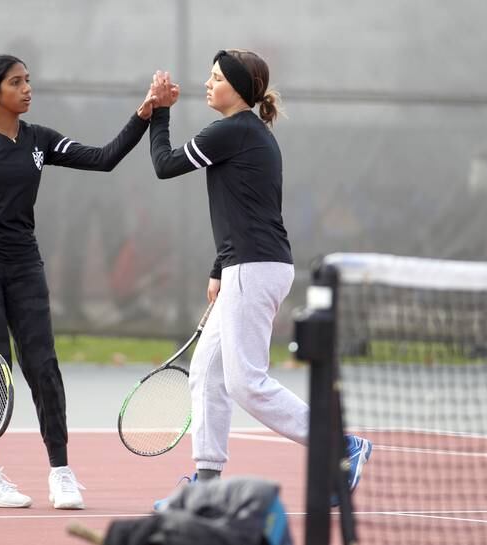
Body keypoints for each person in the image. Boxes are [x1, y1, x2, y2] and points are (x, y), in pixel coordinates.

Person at [146, 50, 372, 507]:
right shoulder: (250, 135)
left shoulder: (233, 131)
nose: (208, 84)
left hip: (255, 267)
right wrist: (219, 269)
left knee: (245, 382)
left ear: (238, 88)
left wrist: (160, 111)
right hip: (245, 265)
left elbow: (165, 165)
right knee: (207, 375)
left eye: (215, 78)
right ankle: (207, 485)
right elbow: (246, 209)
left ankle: (341, 447)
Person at [0, 54, 157, 509]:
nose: (28, 88)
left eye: (28, 80)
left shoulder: (39, 140)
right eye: (17, 83)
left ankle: (61, 473)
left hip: (23, 263)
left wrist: (144, 114)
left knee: (44, 366)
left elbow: (103, 159)